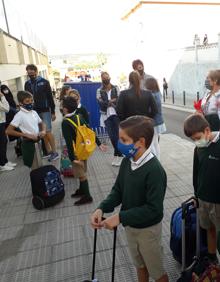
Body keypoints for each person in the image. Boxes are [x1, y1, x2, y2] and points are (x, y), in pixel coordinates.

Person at [90, 115, 169, 282]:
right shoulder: (128, 161)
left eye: (124, 140)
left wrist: (120, 217)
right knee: (139, 265)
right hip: (130, 228)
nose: (119, 144)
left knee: (157, 271)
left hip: (148, 231)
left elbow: (154, 210)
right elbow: (118, 190)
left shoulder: (155, 171)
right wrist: (102, 207)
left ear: (140, 142)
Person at [184, 114, 220, 265]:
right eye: (193, 139)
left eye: (197, 137)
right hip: (203, 199)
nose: (196, 142)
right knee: (208, 229)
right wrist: (196, 195)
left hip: (218, 201)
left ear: (207, 130)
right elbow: (196, 173)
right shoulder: (199, 149)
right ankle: (212, 258)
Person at [61, 96, 93, 205]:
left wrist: (72, 158)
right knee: (81, 172)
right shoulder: (79, 116)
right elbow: (88, 130)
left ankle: (87, 196)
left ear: (65, 109)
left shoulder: (65, 122)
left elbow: (69, 143)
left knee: (81, 174)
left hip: (75, 151)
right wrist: (98, 143)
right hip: (83, 148)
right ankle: (81, 190)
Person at [24, 64, 58, 162]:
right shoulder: (27, 84)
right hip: (34, 112)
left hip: (45, 110)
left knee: (47, 131)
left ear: (36, 71)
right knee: (42, 133)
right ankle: (48, 152)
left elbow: (50, 97)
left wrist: (53, 112)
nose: (30, 72)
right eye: (28, 71)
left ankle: (55, 152)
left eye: (31, 70)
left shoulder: (44, 82)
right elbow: (26, 97)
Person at [6, 91, 46, 170]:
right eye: (27, 101)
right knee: (34, 168)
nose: (30, 103)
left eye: (31, 101)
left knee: (41, 166)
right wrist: (26, 135)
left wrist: (43, 131)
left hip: (38, 142)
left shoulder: (34, 112)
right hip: (28, 144)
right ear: (21, 103)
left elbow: (42, 123)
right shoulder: (19, 115)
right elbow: (8, 131)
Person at [97, 72, 122, 166]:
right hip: (105, 115)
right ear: (101, 79)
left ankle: (117, 155)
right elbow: (100, 103)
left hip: (116, 113)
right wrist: (111, 101)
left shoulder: (116, 88)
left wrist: (107, 102)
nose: (106, 79)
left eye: (107, 77)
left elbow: (119, 99)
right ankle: (119, 154)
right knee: (112, 136)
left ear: (110, 78)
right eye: (104, 78)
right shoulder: (99, 90)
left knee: (117, 136)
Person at [145, 78, 166, 160]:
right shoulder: (158, 93)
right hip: (158, 121)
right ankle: (158, 160)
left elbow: (151, 110)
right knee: (155, 143)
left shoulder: (152, 95)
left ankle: (155, 160)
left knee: (152, 143)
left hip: (154, 122)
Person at [0, 88, 17, 172]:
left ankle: (5, 161)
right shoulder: (1, 96)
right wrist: (3, 97)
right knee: (2, 143)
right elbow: (6, 108)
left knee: (3, 142)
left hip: (1, 121)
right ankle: (2, 164)